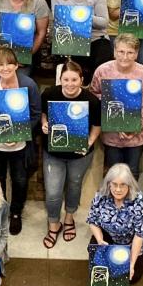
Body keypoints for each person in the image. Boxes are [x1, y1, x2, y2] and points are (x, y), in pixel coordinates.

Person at [0, 47, 41, 235]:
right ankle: (1, 211)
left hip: (20, 145)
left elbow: (36, 114)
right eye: (0, 65)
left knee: (20, 180)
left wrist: (21, 133)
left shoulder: (28, 85)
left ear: (17, 65)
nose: (5, 68)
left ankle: (16, 213)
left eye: (9, 64)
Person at [40, 60, 101, 248]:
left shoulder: (91, 100)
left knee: (74, 186)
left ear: (81, 80)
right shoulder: (50, 94)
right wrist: (44, 124)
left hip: (79, 154)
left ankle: (68, 219)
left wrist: (89, 143)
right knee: (52, 191)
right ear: (60, 80)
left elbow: (97, 127)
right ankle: (53, 224)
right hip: (53, 152)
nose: (70, 83)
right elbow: (44, 114)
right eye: (66, 79)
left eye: (74, 79)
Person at [89, 33, 143, 179]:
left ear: (136, 54)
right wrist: (108, 99)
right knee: (113, 173)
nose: (125, 57)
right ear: (114, 52)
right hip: (111, 135)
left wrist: (135, 125)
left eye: (130, 52)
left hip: (136, 136)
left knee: (132, 173)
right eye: (121, 51)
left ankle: (130, 202)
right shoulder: (102, 71)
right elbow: (93, 96)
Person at [50, 0, 113, 84]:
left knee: (103, 64)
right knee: (73, 69)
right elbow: (58, 22)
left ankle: (98, 95)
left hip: (95, 38)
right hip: (72, 39)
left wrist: (84, 16)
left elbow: (104, 22)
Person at [87, 163, 143, 285]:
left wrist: (131, 264)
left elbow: (140, 234)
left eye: (122, 185)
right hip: (108, 236)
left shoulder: (139, 200)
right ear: (109, 184)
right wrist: (100, 240)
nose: (118, 189)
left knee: (132, 277)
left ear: (129, 185)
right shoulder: (100, 196)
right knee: (99, 274)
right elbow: (92, 220)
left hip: (131, 241)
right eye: (114, 184)